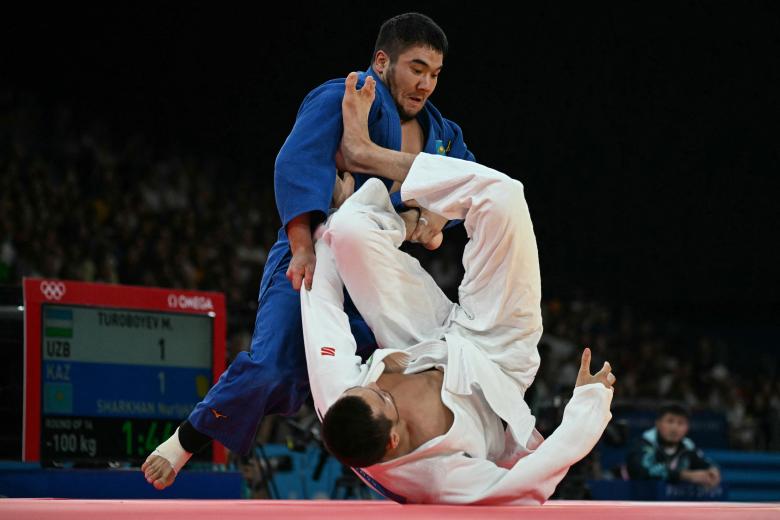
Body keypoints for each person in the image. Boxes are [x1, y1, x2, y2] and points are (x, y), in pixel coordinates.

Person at [142, 12, 475, 490]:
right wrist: (300, 247)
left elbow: (471, 185)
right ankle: (188, 438)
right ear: (383, 61)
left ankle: (422, 482)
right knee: (273, 366)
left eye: (435, 74)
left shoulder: (443, 134)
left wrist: (432, 220)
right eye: (416, 68)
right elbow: (297, 160)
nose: (426, 83)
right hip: (315, 252)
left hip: (378, 278)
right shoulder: (349, 96)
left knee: (418, 380)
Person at [298, 75, 615, 504]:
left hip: (422, 338)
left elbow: (323, 308)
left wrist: (320, 233)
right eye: (385, 398)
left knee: (349, 230)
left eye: (370, 387)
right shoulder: (437, 479)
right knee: (504, 196)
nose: (380, 385)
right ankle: (408, 205)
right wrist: (588, 407)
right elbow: (534, 477)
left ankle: (390, 186)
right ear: (394, 440)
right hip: (496, 360)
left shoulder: (341, 401)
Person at [627, 403, 721, 488]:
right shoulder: (643, 443)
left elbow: (704, 462)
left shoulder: (688, 447)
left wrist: (712, 470)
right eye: (670, 421)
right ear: (658, 424)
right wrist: (685, 475)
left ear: (687, 428)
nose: (674, 428)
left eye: (680, 423)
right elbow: (642, 471)